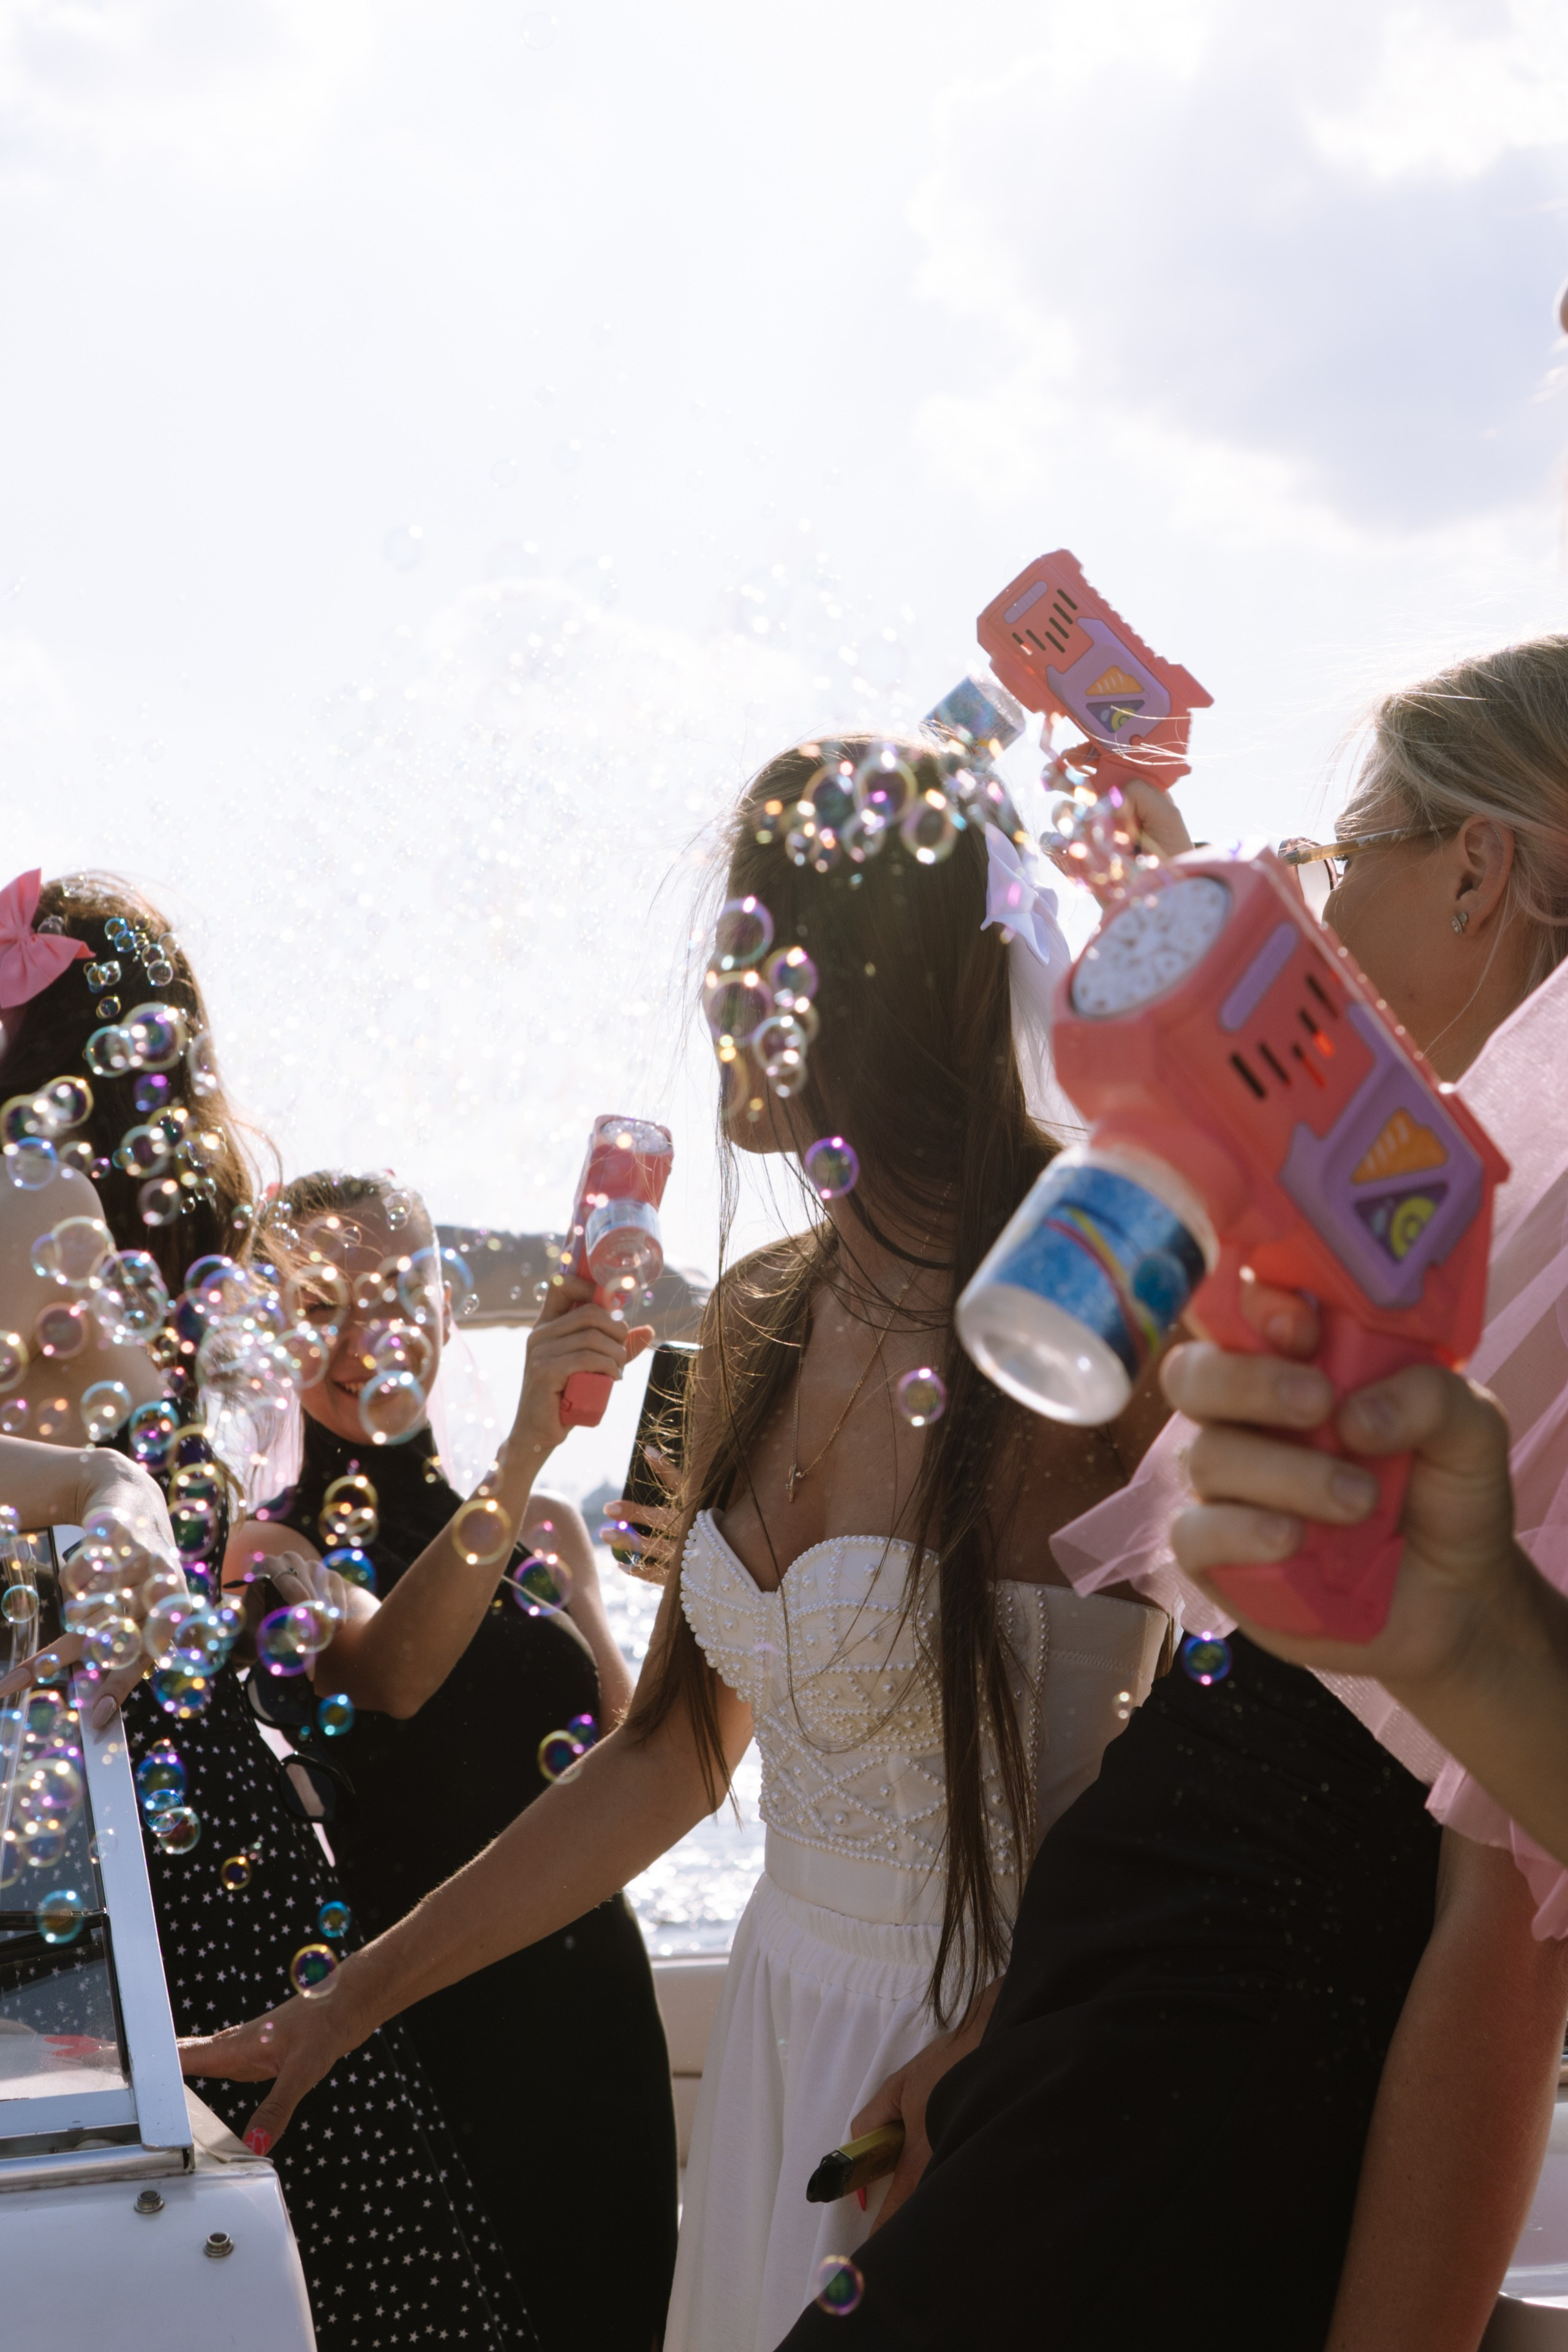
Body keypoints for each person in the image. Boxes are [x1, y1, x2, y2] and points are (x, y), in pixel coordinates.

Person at [180, 734, 1173, 2351]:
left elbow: (1196, 1761)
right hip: (790, 2030)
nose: (716, 997)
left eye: (751, 952)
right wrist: (348, 2003)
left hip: (1002, 2066)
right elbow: (667, 1760)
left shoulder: (1083, 1290)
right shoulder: (767, 1315)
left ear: (875, 977)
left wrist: (993, 2046)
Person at [772, 638, 1568, 2352]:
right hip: (1125, 2015)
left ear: (1480, 868)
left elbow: (1509, 1942)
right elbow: (1241, 1720)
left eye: (1345, 862)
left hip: (1214, 2074)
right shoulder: (1443, 1230)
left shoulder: (1539, 1277)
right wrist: (1004, 2029)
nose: (1325, 919)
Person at [0, 870, 534, 2351]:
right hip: (221, 1801)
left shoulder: (24, 1189)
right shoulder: (190, 1236)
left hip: (96, 1817)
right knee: (332, 2235)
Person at [230, 1167, 679, 2352]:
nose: (358, 1334)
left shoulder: (550, 1528)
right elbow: (395, 1674)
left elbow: (638, 1757)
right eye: (317, 1302)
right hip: (422, 2028)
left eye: (390, 1296)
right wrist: (533, 1439)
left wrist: (705, 1559)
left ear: (441, 1311)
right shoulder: (267, 1541)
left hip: (593, 2022)